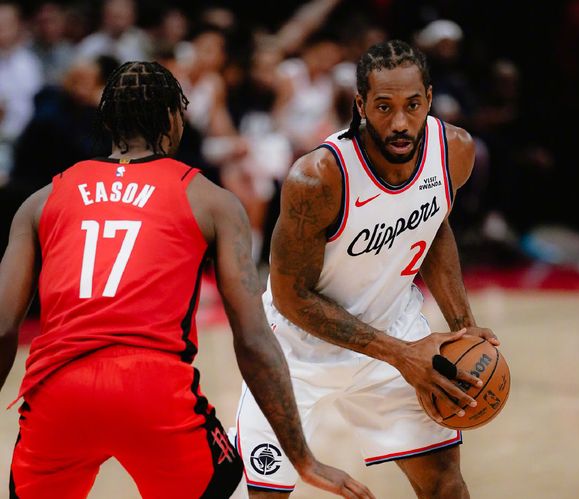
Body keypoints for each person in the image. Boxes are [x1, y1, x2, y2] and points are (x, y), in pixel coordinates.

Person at [0, 61, 373, 499]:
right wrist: (302, 458)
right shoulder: (211, 200)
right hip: (151, 388)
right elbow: (253, 339)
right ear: (174, 119)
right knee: (226, 484)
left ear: (106, 122)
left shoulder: (42, 199)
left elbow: (3, 327)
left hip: (58, 390)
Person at [235, 40, 499, 498]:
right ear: (360, 105)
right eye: (383, 107)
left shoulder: (453, 150)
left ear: (429, 99)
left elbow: (433, 225)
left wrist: (463, 326)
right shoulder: (318, 177)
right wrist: (401, 354)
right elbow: (291, 297)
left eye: (412, 105)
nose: (400, 123)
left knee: (445, 486)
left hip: (394, 331)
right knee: (262, 495)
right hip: (297, 350)